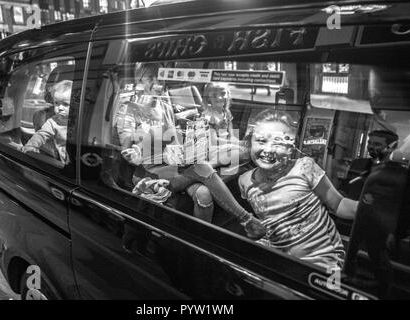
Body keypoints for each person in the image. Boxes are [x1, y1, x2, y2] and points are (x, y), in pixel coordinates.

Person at [117, 63, 264, 238]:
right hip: (149, 172)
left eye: (161, 78)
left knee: (204, 194)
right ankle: (248, 220)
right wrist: (142, 149)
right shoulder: (129, 108)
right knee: (202, 166)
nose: (157, 83)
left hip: (176, 165)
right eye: (150, 79)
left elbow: (174, 138)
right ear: (139, 80)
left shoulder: (165, 101)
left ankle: (198, 243)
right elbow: (128, 153)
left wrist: (185, 140)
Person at [238, 109, 358, 270]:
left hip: (325, 261)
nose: (269, 150)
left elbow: (338, 205)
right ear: (249, 143)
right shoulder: (244, 181)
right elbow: (271, 221)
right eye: (261, 141)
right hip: (281, 258)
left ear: (290, 148)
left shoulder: (304, 167)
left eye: (279, 143)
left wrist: (367, 210)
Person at [21, 79, 72, 165]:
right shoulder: (53, 122)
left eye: (66, 104)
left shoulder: (80, 121)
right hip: (64, 164)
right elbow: (41, 134)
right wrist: (31, 145)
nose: (60, 108)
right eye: (56, 103)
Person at [340, 129, 398, 200]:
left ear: (391, 148)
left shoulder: (397, 172)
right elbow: (345, 188)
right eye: (369, 143)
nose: (371, 147)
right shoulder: (358, 163)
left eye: (377, 144)